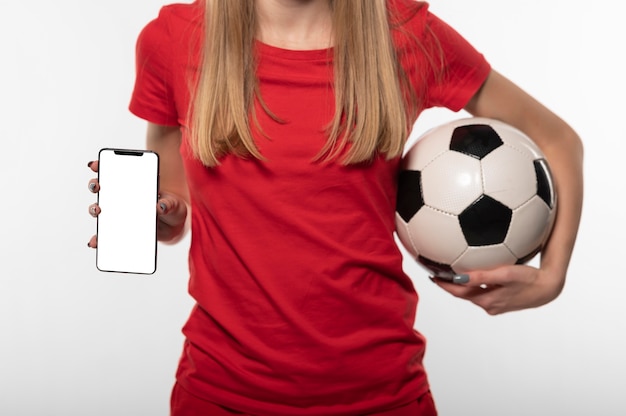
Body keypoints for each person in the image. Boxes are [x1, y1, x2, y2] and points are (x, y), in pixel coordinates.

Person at [87, 0, 583, 414]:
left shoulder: (404, 34)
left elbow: (559, 141)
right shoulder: (175, 39)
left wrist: (552, 276)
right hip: (220, 391)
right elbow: (173, 212)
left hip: (381, 392)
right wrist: (159, 213)